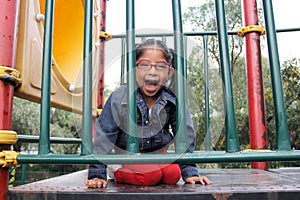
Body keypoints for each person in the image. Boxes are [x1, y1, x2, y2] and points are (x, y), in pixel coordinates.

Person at [85, 39, 212, 188]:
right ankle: (117, 171)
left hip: (156, 153)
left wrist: (190, 173)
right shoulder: (119, 97)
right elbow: (104, 135)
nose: (152, 72)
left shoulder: (173, 100)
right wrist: (97, 174)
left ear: (169, 73)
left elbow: (184, 136)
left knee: (173, 175)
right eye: (144, 65)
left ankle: (149, 170)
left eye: (160, 66)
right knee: (149, 176)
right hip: (128, 154)